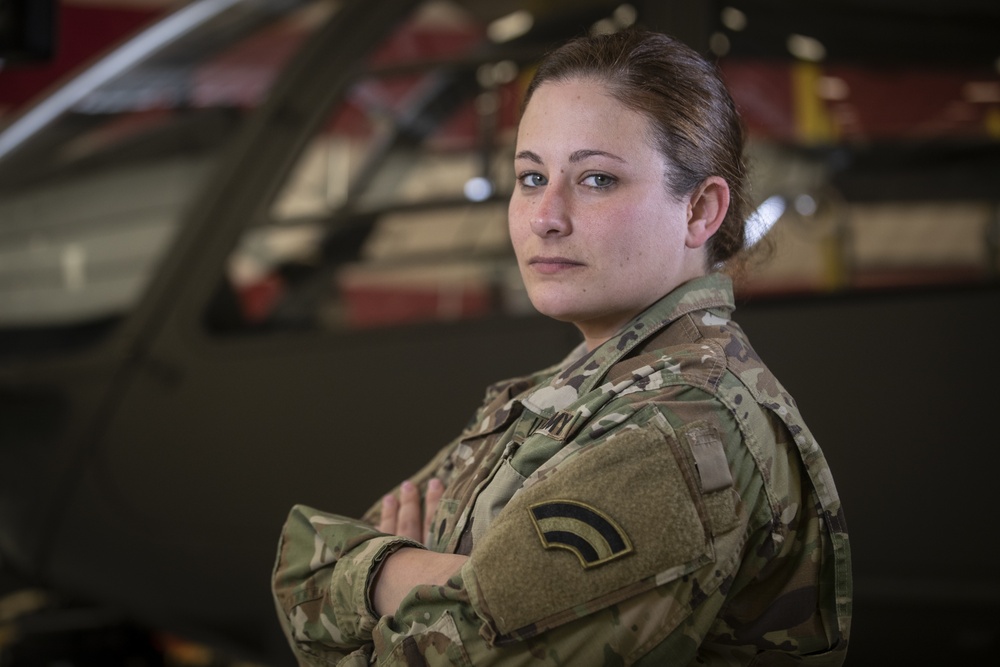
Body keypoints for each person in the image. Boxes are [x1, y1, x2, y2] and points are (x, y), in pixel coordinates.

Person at [272, 28, 852, 666]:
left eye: (597, 179)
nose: (546, 215)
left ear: (699, 211)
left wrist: (382, 574)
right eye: (530, 176)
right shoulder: (583, 389)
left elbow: (345, 600)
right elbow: (304, 571)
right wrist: (431, 584)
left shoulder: (667, 432)